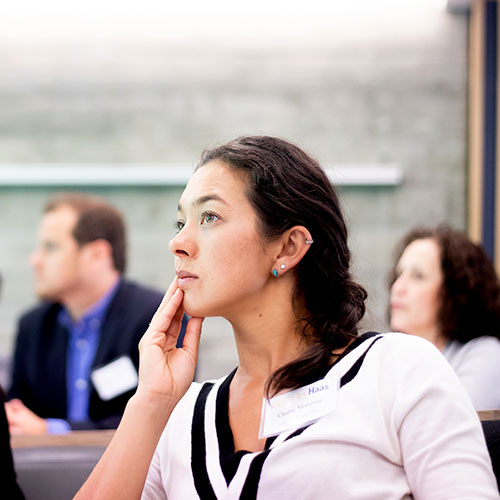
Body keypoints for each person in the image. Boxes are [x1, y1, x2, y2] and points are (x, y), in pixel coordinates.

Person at [75, 136, 497, 499]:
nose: (178, 242)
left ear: (288, 248)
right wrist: (151, 402)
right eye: (180, 221)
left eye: (209, 217)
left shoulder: (398, 370)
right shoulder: (183, 416)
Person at [6, 192, 165, 434]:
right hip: (43, 469)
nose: (35, 260)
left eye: (51, 247)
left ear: (96, 255)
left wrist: (51, 430)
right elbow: (18, 414)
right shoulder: (33, 326)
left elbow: (161, 419)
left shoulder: (156, 318)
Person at [389, 224, 500, 410]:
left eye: (418, 276)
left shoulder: (487, 355)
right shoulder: (392, 356)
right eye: (399, 274)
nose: (397, 287)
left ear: (454, 291)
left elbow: (442, 425)